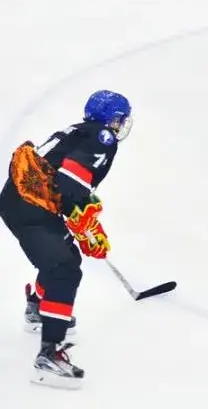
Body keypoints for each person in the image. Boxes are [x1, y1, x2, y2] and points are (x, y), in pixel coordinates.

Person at [0, 90, 133, 389]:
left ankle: (38, 308)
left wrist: (83, 218)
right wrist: (84, 222)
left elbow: (61, 181)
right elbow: (69, 184)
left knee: (66, 257)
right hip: (30, 207)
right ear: (111, 120)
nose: (120, 125)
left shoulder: (78, 130)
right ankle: (49, 357)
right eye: (119, 119)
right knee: (64, 270)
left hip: (20, 200)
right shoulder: (102, 138)